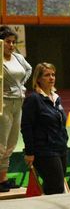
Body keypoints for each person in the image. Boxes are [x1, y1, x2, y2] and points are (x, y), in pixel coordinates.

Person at [21, 62, 69, 195]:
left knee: (54, 187)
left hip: (60, 149)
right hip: (44, 151)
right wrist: (29, 152)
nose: (51, 78)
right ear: (38, 79)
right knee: (56, 187)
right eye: (47, 75)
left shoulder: (56, 99)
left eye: (53, 74)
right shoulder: (33, 99)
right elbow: (26, 127)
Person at [0, 26, 32, 192]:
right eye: (7, 42)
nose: (11, 45)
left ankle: (3, 178)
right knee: (1, 144)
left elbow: (29, 69)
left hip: (18, 103)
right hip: (3, 103)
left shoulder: (18, 58)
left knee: (11, 143)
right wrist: (7, 88)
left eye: (13, 42)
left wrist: (20, 85)